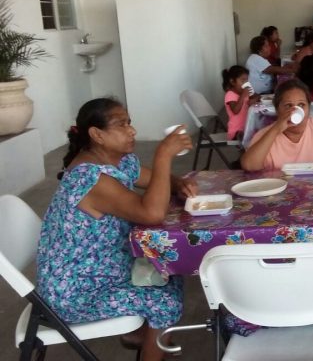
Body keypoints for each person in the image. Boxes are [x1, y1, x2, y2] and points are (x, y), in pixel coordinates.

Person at [37, 98, 196, 361]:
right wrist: (164, 155)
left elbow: (154, 180)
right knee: (164, 300)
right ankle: (150, 340)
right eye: (121, 125)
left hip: (105, 268)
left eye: (129, 123)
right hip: (76, 291)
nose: (132, 130)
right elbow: (151, 213)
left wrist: (178, 183)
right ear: (97, 134)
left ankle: (142, 335)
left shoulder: (119, 161)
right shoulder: (90, 178)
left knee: (169, 268)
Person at [241, 79, 313, 174]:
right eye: (288, 106)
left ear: (309, 108)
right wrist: (276, 129)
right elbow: (249, 166)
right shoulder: (265, 135)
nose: (295, 111)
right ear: (277, 109)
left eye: (301, 105)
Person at [223, 65, 257, 141]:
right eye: (242, 81)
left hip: (246, 127)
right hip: (236, 132)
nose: (245, 83)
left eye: (246, 80)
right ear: (232, 81)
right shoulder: (230, 94)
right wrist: (243, 95)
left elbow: (257, 96)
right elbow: (235, 111)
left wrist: (254, 99)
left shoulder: (243, 92)